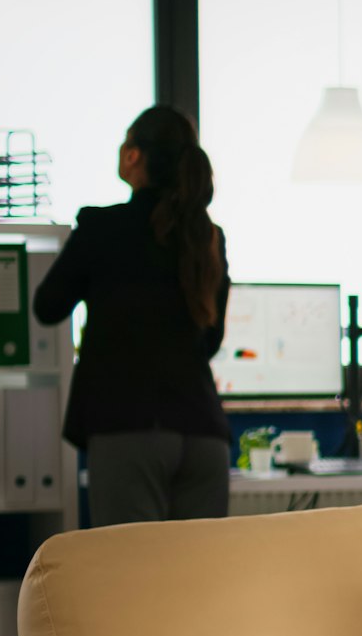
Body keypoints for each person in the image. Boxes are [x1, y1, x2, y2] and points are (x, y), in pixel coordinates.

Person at [33, 105, 231, 527]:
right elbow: (209, 342)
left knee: (134, 585)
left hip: (128, 432)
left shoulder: (101, 228)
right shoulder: (207, 236)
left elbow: (46, 306)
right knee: (202, 586)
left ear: (133, 155)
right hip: (203, 434)